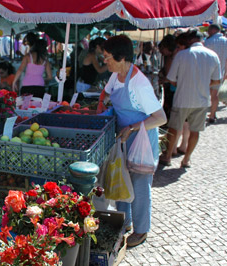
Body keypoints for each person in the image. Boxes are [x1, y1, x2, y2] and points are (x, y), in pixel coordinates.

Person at [97, 35, 167, 247]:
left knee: (139, 186)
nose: (105, 61)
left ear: (121, 57)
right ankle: (123, 222)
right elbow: (106, 92)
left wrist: (133, 127)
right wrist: (101, 104)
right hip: (123, 136)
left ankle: (141, 230)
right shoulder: (116, 75)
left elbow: (160, 118)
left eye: (107, 57)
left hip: (140, 139)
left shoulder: (139, 83)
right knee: (121, 177)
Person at [159, 29, 221, 168]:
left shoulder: (182, 55)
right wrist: (204, 83)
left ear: (190, 41)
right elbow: (217, 81)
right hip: (202, 100)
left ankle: (168, 156)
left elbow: (171, 79)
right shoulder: (213, 56)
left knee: (174, 128)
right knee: (195, 131)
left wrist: (183, 82)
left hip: (182, 98)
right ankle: (186, 159)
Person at [204, 24, 227, 123]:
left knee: (204, 94)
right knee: (215, 95)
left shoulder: (208, 41)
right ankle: (212, 115)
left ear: (212, 30)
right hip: (220, 72)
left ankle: (203, 114)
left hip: (207, 72)